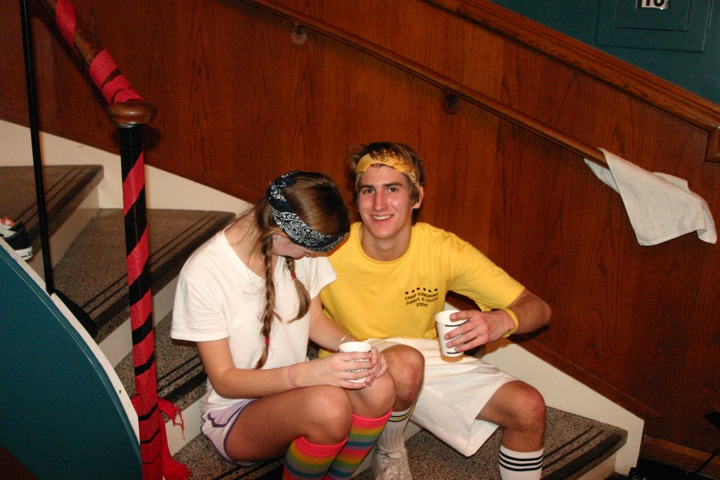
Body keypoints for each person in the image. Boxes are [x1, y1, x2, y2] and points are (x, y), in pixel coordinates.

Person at [319, 143, 552, 480]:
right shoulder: (329, 247)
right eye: (368, 190)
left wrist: (502, 320)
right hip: (351, 363)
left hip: (420, 360)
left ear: (416, 198)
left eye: (392, 189)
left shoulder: (442, 248)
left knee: (528, 407)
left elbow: (539, 309)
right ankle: (390, 449)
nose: (379, 204)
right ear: (356, 199)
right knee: (405, 363)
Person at [171, 171, 395, 480]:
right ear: (279, 234)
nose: (309, 257)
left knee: (380, 385)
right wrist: (305, 374)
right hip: (237, 412)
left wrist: (358, 348)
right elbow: (225, 381)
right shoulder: (204, 272)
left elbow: (315, 320)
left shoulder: (297, 235)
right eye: (307, 252)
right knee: (328, 406)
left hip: (296, 393)